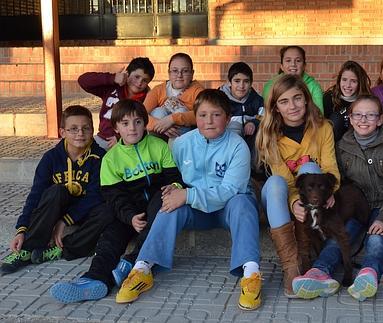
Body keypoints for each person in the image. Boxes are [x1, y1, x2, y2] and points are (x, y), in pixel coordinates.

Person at [115, 89, 263, 311]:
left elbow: (231, 189)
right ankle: (143, 268)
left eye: (216, 115)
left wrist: (189, 194)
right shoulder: (182, 143)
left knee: (243, 203)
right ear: (195, 117)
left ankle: (251, 274)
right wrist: (175, 190)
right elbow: (172, 179)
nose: (209, 121)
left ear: (228, 116)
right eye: (202, 115)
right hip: (195, 210)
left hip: (228, 208)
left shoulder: (237, 146)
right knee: (169, 202)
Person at [50, 99, 183, 303]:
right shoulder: (111, 159)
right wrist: (129, 217)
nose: (132, 128)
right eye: (125, 123)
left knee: (163, 198)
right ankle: (95, 279)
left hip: (158, 209)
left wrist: (174, 187)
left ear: (145, 123)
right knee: (110, 238)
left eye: (138, 122)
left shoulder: (159, 146)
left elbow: (174, 178)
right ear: (116, 128)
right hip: (129, 213)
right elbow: (114, 197)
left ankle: (132, 261)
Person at [292, 95, 383, 300]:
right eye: (358, 115)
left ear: (380, 119)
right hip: (352, 207)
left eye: (370, 115)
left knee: (376, 239)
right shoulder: (342, 147)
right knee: (340, 235)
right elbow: (336, 178)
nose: (363, 120)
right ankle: (319, 273)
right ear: (350, 117)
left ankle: (368, 275)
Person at [256, 73, 340, 297]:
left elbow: (331, 168)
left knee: (311, 170)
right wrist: (293, 202)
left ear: (306, 99)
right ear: (275, 108)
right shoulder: (269, 134)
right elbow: (284, 178)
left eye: (297, 98)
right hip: (279, 196)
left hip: (313, 195)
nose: (292, 106)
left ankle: (304, 253)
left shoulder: (323, 128)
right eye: (284, 101)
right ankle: (291, 265)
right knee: (274, 182)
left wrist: (331, 190)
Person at [0, 106, 109, 275]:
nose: (80, 133)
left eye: (85, 128)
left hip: (85, 212)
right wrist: (22, 229)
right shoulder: (51, 158)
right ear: (62, 132)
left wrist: (65, 221)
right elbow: (36, 195)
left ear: (92, 130)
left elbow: (96, 196)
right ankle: (27, 249)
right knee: (56, 191)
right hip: (57, 208)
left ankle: (63, 250)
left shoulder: (100, 157)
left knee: (108, 210)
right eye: (73, 129)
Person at [78, 57, 155, 150]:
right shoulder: (113, 87)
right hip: (103, 138)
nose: (139, 83)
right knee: (84, 153)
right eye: (137, 77)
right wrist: (112, 78)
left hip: (130, 142)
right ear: (127, 73)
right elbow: (83, 80)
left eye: (145, 80)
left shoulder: (148, 98)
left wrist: (121, 138)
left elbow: (145, 125)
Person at [144, 52, 204, 138]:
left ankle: (176, 148)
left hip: (181, 135)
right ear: (169, 73)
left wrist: (172, 119)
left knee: (181, 111)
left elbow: (204, 114)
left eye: (185, 71)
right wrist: (159, 124)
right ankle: (157, 148)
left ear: (192, 73)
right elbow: (141, 113)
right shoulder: (159, 89)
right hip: (160, 132)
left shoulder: (197, 91)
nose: (179, 75)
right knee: (158, 112)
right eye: (175, 71)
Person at [262, 46, 324, 114]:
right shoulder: (270, 85)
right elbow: (266, 113)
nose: (293, 64)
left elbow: (319, 115)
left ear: (304, 66)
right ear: (281, 66)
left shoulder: (314, 86)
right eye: (288, 60)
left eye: (298, 61)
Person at [219, 62, 264, 152]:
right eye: (237, 81)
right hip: (227, 143)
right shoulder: (220, 100)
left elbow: (266, 116)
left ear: (251, 83)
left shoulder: (256, 100)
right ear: (229, 82)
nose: (241, 86)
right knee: (235, 126)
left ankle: (255, 164)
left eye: (246, 81)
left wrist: (254, 123)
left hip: (251, 143)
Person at [323, 60, 372, 141]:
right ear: (339, 80)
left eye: (353, 81)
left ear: (360, 83)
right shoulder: (329, 98)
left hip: (358, 146)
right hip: (333, 146)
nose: (348, 85)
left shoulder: (366, 101)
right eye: (344, 80)